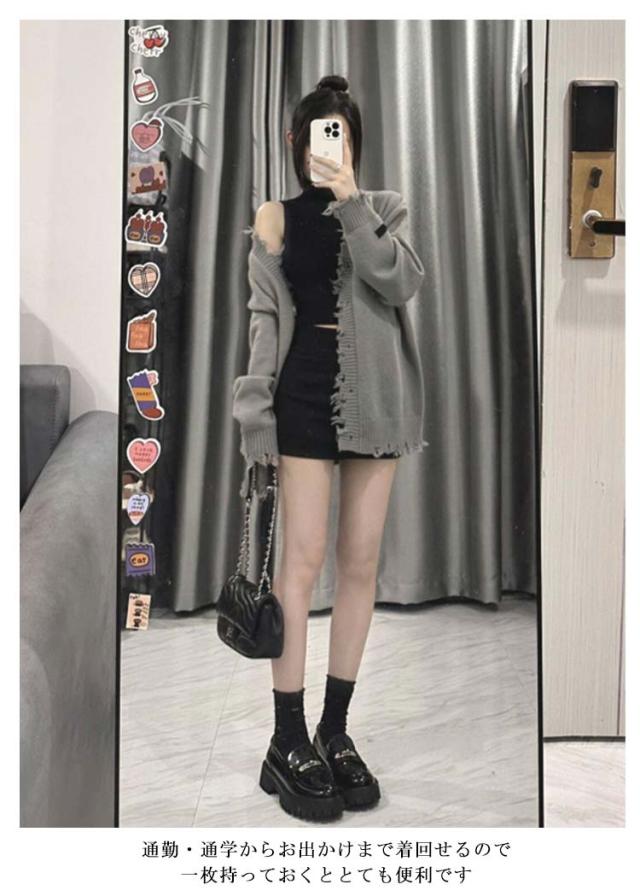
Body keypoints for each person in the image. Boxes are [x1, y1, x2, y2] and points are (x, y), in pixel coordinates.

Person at [232, 74, 427, 821]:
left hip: (375, 403)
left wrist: (350, 201)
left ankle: (333, 730)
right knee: (302, 559)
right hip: (302, 396)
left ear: (355, 145)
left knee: (361, 561)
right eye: (320, 133)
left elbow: (399, 282)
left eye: (342, 135)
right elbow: (262, 319)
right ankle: (286, 738)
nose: (330, 147)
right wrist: (255, 414)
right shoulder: (275, 218)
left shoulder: (382, 209)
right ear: (295, 141)